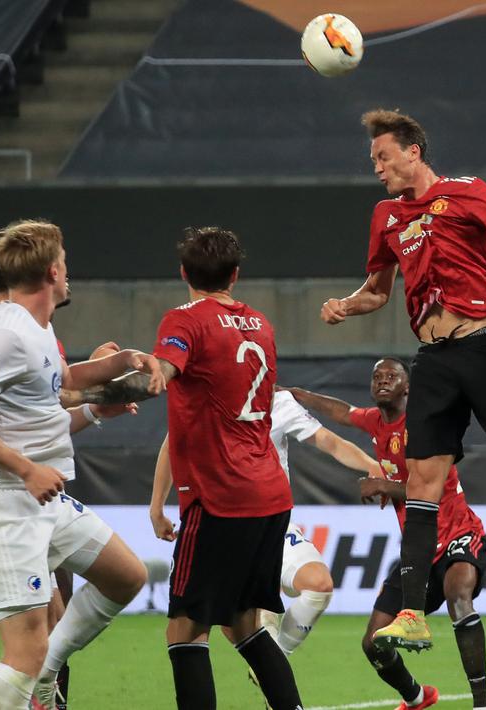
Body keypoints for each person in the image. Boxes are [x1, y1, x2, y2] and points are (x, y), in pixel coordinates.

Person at [320, 109, 486, 660]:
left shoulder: (466, 191)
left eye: (383, 157)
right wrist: (346, 304)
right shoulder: (386, 215)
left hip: (484, 345)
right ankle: (413, 612)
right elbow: (377, 290)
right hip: (433, 356)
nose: (377, 168)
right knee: (421, 479)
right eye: (373, 160)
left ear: (413, 151)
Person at [69, 227, 303, 710]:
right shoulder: (261, 324)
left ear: (183, 273)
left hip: (220, 499)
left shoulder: (186, 320)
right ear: (235, 275)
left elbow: (156, 379)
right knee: (244, 625)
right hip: (270, 495)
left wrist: (78, 392)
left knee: (184, 631)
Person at [0, 220, 159, 709]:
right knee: (24, 649)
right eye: (65, 263)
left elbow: (58, 381)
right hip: (3, 503)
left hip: (44, 499)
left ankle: (48, 669)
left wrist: (119, 362)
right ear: (52, 271)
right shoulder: (1, 332)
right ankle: (39, 671)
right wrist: (26, 469)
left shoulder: (36, 326)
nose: (69, 273)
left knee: (126, 576)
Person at [288, 357, 486, 710]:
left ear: (407, 387)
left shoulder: (422, 424)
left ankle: (482, 704)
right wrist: (298, 394)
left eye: (392, 376)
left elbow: (431, 486)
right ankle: (416, 697)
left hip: (458, 533)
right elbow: (342, 412)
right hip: (418, 550)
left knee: (459, 597)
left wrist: (383, 485)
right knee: (374, 643)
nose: (383, 380)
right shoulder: (376, 422)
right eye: (377, 376)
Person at [149, 387, 382, 655]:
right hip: (222, 528)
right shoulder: (207, 396)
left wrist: (371, 465)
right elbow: (173, 445)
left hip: (272, 524)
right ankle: (265, 659)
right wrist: (156, 509)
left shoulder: (278, 402)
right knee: (218, 623)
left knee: (319, 586)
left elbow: (330, 442)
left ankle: (276, 657)